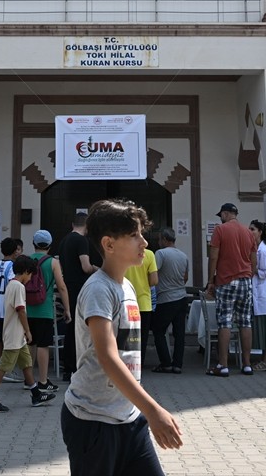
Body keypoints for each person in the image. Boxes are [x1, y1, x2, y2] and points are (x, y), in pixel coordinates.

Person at [61, 198, 182, 474]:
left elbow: (127, 350)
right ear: (109, 244)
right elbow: (108, 357)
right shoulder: (98, 290)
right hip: (92, 421)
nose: (144, 242)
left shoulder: (126, 285)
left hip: (129, 418)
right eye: (134, 235)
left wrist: (141, 409)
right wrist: (153, 410)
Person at [0, 256, 56, 412]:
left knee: (26, 363)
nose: (30, 279)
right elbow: (21, 310)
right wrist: (28, 330)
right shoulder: (19, 287)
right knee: (4, 366)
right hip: (14, 334)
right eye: (31, 275)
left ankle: (36, 394)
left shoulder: (11, 284)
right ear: (27, 272)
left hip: (17, 334)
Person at [204, 202, 256, 376]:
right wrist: (249, 276)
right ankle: (247, 365)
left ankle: (223, 365)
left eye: (221, 215)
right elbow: (253, 260)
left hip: (226, 280)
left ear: (225, 214)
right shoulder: (248, 233)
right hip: (245, 281)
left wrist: (210, 281)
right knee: (245, 322)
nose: (221, 218)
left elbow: (213, 257)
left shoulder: (220, 230)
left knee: (225, 322)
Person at [58, 213, 99, 379]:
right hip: (80, 288)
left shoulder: (64, 241)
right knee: (80, 328)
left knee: (71, 327)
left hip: (67, 286)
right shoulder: (82, 241)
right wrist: (98, 269)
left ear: (72, 224)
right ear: (87, 225)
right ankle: (77, 366)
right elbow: (86, 267)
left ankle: (67, 367)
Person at [27, 229, 70, 390]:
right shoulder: (53, 262)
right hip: (45, 309)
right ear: (50, 245)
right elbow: (62, 286)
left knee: (30, 343)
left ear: (34, 243)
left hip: (27, 308)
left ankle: (29, 380)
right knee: (43, 345)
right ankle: (43, 381)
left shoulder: (27, 260)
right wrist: (67, 309)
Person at [150, 227, 189, 374]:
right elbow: (185, 278)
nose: (158, 242)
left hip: (166, 299)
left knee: (158, 330)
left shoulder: (160, 254)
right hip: (182, 297)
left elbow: (154, 273)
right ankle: (177, 364)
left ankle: (166, 363)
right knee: (179, 333)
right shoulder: (183, 256)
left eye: (160, 239)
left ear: (165, 239)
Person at [123, 239, 157, 370]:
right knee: (142, 338)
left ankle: (126, 364)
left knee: (126, 335)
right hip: (144, 303)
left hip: (126, 301)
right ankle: (138, 365)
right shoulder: (149, 254)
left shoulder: (124, 253)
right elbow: (154, 280)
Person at [248, 219, 266, 372]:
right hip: (257, 294)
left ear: (259, 232)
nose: (250, 232)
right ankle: (263, 360)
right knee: (260, 330)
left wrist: (253, 271)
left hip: (262, 294)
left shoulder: (263, 251)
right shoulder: (255, 248)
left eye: (252, 229)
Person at [0, 238, 22, 371]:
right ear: (15, 251)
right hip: (8, 306)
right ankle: (8, 367)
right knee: (10, 338)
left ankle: (0, 364)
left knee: (0, 338)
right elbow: (11, 285)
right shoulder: (12, 266)